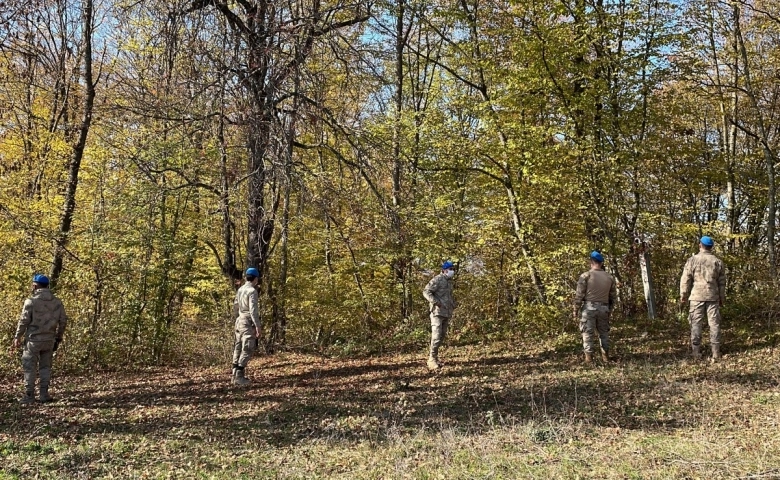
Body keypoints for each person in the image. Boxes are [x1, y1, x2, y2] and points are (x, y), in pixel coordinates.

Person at [12, 274, 68, 404]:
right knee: (45, 367)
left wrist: (17, 336)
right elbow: (63, 321)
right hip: (49, 340)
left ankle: (29, 395)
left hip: (33, 340)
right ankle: (44, 394)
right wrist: (58, 337)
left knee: (29, 367)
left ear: (35, 285)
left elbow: (23, 321)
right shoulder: (57, 302)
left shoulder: (31, 301)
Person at [680, 236, 726, 362]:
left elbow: (685, 279)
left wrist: (683, 295)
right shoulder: (717, 261)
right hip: (713, 296)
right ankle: (716, 353)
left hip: (696, 297)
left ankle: (696, 353)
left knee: (696, 323)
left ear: (700, 245)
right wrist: (722, 297)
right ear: (711, 247)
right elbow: (722, 282)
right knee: (714, 324)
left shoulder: (692, 260)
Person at [573, 251, 616, 363]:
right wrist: (609, 310)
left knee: (587, 333)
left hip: (589, 308)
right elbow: (613, 297)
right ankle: (606, 357)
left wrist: (575, 310)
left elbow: (579, 295)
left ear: (591, 262)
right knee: (604, 333)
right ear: (601, 263)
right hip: (604, 308)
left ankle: (589, 359)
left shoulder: (586, 276)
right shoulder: (609, 277)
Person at [423, 260, 456, 370]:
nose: (452, 271)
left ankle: (435, 357)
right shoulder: (438, 279)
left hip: (446, 312)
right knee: (436, 336)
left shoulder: (449, 282)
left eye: (453, 269)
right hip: (437, 312)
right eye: (450, 269)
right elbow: (426, 291)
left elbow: (449, 297)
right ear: (444, 270)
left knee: (442, 336)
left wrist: (453, 305)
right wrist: (435, 302)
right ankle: (431, 360)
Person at [231, 267, 263, 385]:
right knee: (247, 347)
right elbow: (253, 310)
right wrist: (257, 326)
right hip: (247, 321)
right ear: (255, 279)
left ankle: (234, 374)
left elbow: (235, 305)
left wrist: (238, 318)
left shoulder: (240, 289)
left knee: (238, 347)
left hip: (239, 321)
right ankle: (239, 376)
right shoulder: (252, 291)